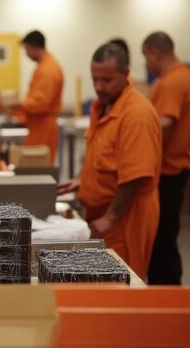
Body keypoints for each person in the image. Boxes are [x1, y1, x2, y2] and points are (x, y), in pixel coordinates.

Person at [58, 43, 161, 280]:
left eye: (107, 80)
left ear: (125, 75)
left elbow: (137, 174)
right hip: (103, 213)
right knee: (104, 281)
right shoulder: (103, 106)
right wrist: (83, 179)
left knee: (124, 281)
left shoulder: (136, 115)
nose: (99, 87)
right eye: (95, 79)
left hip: (125, 216)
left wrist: (111, 218)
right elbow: (100, 151)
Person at [142, 31, 190, 285]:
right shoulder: (182, 76)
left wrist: (136, 130)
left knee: (162, 243)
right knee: (164, 240)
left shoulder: (172, 81)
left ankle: (166, 297)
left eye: (146, 58)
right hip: (173, 169)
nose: (147, 65)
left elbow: (166, 122)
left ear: (154, 53)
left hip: (168, 172)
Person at [11, 30, 63, 164]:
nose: (26, 54)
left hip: (43, 126)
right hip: (38, 125)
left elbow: (40, 103)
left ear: (34, 47)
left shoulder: (48, 70)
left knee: (39, 167)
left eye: (26, 49)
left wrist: (19, 104)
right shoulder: (45, 66)